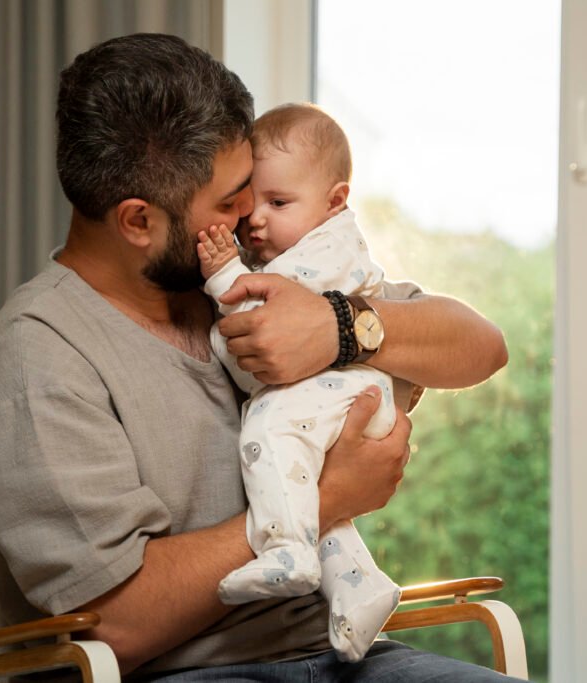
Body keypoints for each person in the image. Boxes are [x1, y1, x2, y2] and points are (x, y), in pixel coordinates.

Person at [0, 33, 514, 681]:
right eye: (230, 203)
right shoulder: (40, 352)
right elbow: (113, 620)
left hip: (344, 653)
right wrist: (324, 496)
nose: (252, 216)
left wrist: (343, 327)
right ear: (139, 221)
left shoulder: (263, 271)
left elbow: (482, 347)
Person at [197, 103, 409, 663]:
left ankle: (287, 549)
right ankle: (359, 586)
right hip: (339, 396)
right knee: (315, 501)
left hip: (347, 398)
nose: (256, 220)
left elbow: (269, 304)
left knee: (265, 430)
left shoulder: (330, 248)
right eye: (251, 203)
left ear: (335, 201)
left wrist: (225, 274)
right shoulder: (306, 244)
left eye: (278, 203)